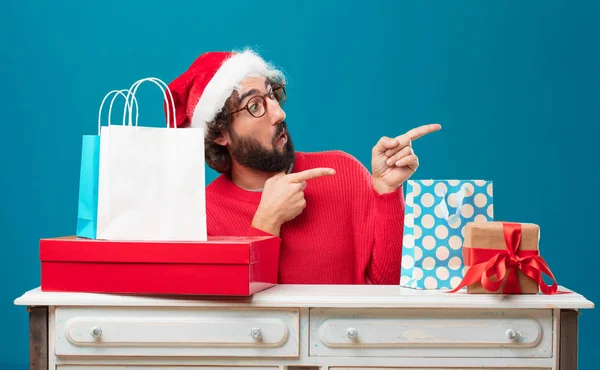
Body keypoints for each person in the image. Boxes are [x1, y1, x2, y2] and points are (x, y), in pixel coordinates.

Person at [165, 48, 440, 285]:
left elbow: (390, 288)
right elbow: (236, 321)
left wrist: (387, 191)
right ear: (219, 135)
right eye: (255, 106)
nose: (279, 113)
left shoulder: (343, 171)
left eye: (272, 95)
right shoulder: (203, 217)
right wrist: (267, 222)